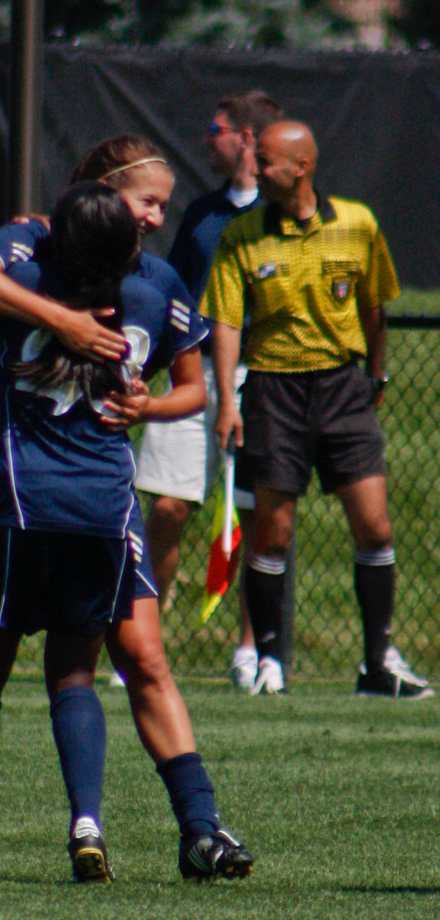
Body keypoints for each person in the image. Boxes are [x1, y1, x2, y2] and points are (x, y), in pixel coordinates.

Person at [0, 169, 254, 884]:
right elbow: (185, 379)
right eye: (146, 204)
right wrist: (143, 401)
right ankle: (89, 822)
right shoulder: (154, 287)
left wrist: (47, 308)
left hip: (17, 501)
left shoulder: (27, 276)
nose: (156, 216)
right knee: (78, 673)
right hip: (102, 507)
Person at [199, 119, 433, 699]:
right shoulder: (242, 234)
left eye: (268, 160)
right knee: (272, 533)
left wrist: (375, 373)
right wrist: (229, 400)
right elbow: (226, 320)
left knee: (374, 525)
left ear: (301, 167)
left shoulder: (356, 224)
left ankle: (378, 662)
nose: (255, 168)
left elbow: (376, 305)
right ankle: (271, 660)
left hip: (342, 389)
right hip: (274, 390)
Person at [134, 91, 287, 690]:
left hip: (262, 380)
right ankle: (144, 642)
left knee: (254, 518)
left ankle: (251, 652)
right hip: (191, 375)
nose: (207, 139)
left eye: (216, 128)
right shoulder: (199, 213)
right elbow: (169, 292)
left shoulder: (280, 221)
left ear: (246, 138)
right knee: (167, 508)